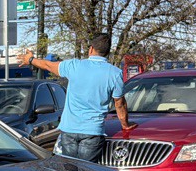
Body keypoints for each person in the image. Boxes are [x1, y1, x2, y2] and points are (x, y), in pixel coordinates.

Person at [17, 33, 135, 162]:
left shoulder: (74, 66)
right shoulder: (115, 73)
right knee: (88, 170)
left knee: (70, 169)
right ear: (107, 52)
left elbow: (48, 65)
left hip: (69, 129)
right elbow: (119, 103)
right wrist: (125, 125)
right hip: (92, 131)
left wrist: (30, 59)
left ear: (91, 49)